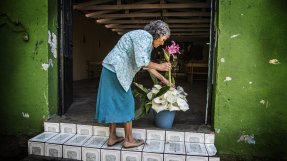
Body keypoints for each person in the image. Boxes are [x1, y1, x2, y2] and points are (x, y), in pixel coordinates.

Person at [95, 20, 171, 148]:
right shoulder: (145, 37)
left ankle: (112, 137)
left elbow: (145, 63)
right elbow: (143, 62)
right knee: (127, 102)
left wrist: (161, 78)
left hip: (110, 69)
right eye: (163, 39)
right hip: (117, 70)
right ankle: (129, 139)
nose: (162, 42)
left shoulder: (144, 39)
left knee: (113, 102)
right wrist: (160, 66)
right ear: (157, 34)